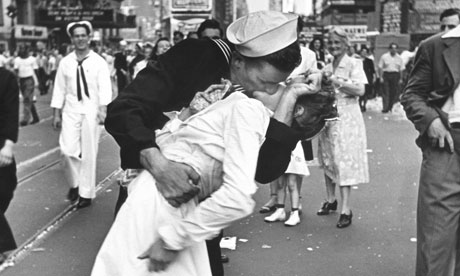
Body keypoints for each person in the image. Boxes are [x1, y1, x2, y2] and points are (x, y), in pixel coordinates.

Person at [92, 13, 333, 273]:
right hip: (157, 198)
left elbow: (265, 169)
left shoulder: (257, 97)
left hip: (192, 214)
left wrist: (292, 98)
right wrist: (159, 164)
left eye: (278, 84)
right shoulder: (196, 57)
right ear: (238, 60)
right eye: (266, 83)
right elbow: (123, 110)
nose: (269, 90)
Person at [401, 24, 460, 276]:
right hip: (447, 144)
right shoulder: (435, 46)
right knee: (436, 237)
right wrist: (431, 121)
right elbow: (412, 95)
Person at [50, 21, 112, 209]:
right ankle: (75, 184)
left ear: (89, 37)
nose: (80, 39)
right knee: (67, 151)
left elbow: (105, 88)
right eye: (76, 36)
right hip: (70, 110)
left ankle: (86, 193)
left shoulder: (98, 62)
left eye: (83, 35)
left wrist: (103, 109)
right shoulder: (65, 62)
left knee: (89, 153)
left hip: (91, 111)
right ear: (72, 39)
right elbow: (59, 89)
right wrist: (56, 114)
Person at [316, 26, 369, 229]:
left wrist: (336, 82)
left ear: (346, 44)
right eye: (331, 43)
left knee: (344, 161)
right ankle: (331, 199)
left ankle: (346, 209)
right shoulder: (327, 66)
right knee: (328, 159)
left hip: (347, 118)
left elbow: (360, 90)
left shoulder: (354, 64)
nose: (334, 46)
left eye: (338, 43)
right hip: (328, 118)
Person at [0, 67, 19, 264]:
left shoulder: (6, 78)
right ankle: (4, 246)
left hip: (0, 143)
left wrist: (8, 144)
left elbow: (11, 112)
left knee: (6, 188)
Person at [14, 46, 40, 126]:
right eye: (20, 49)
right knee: (28, 100)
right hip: (22, 80)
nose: (22, 51)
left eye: (23, 49)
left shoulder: (32, 59)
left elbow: (36, 70)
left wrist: (38, 81)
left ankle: (25, 119)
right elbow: (16, 71)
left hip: (29, 80)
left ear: (27, 50)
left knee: (27, 99)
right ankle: (36, 117)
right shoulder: (17, 60)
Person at [378, 42, 404, 113]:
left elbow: (401, 69)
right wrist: (380, 77)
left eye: (395, 48)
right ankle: (385, 108)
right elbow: (380, 67)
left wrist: (401, 78)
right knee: (386, 91)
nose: (394, 50)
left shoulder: (399, 58)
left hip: (395, 75)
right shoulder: (384, 56)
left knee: (393, 92)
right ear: (389, 49)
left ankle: (390, 107)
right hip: (386, 75)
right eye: (392, 48)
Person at [358, 47, 376, 112]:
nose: (364, 53)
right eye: (363, 52)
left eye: (365, 52)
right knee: (360, 92)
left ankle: (364, 105)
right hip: (359, 78)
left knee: (366, 93)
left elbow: (372, 70)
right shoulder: (357, 60)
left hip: (367, 78)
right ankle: (360, 104)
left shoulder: (369, 61)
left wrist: (374, 78)